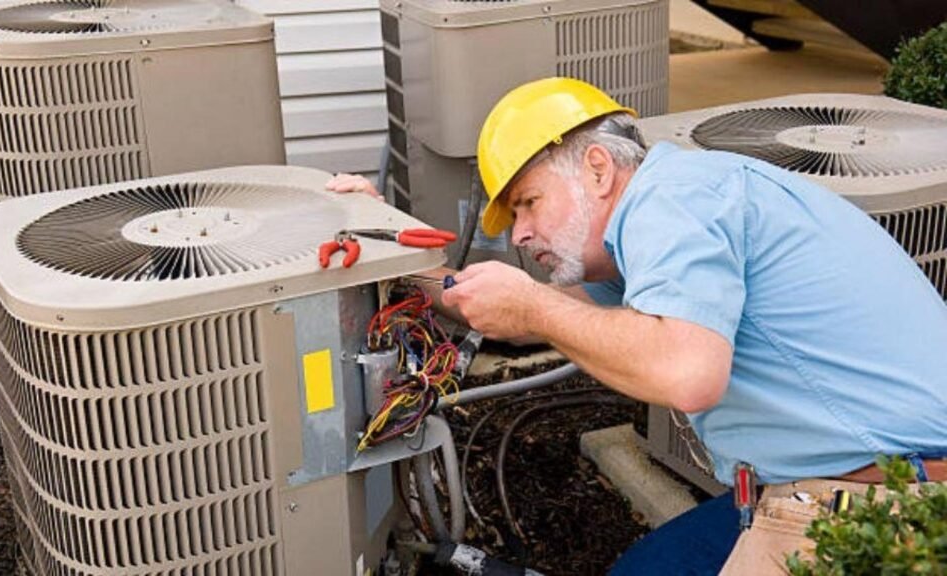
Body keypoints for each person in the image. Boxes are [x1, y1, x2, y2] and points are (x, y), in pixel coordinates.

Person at [328, 77, 947, 574]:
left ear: (597, 168)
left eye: (528, 202)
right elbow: (524, 318)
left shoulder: (671, 200)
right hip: (832, 477)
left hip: (890, 496)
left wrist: (537, 306)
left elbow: (686, 374)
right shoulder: (645, 227)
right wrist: (395, 252)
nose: (517, 234)